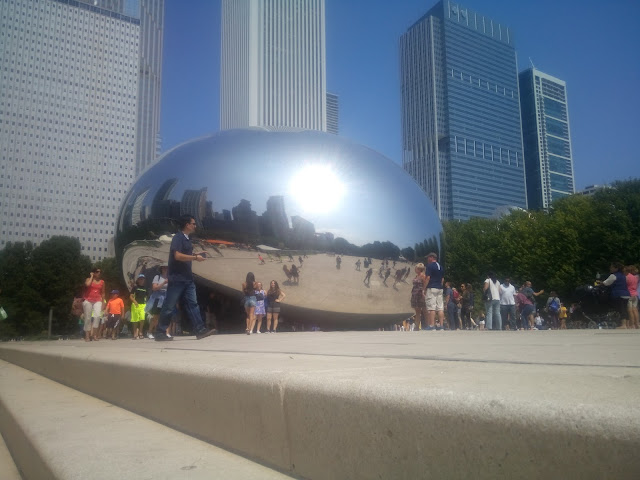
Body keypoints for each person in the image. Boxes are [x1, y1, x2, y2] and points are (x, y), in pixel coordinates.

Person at [154, 215, 217, 341]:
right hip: (177, 279)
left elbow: (184, 255)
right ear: (187, 225)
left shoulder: (187, 239)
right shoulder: (178, 237)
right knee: (169, 305)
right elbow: (177, 256)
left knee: (193, 304)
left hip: (187, 278)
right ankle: (160, 332)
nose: (195, 226)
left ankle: (200, 330)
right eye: (193, 223)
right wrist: (194, 258)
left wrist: (194, 254)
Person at [600, 262, 631, 328]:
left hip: (618, 294)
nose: (610, 268)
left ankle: (623, 325)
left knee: (621, 309)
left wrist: (601, 283)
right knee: (625, 309)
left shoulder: (613, 275)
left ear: (616, 268)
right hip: (626, 294)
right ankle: (628, 325)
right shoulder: (623, 275)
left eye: (611, 267)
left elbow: (606, 283)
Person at [146, 264, 168, 339]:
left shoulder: (169, 277)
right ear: (161, 269)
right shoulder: (157, 277)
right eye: (164, 268)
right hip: (158, 298)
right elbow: (154, 288)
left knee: (165, 316)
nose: (165, 269)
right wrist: (163, 283)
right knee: (156, 316)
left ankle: (165, 332)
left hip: (166, 298)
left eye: (166, 268)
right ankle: (149, 331)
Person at [83, 267, 105, 342]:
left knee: (97, 316)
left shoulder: (102, 282)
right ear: (93, 273)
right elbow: (87, 285)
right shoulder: (88, 279)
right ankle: (87, 336)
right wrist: (91, 276)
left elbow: (103, 293)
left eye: (100, 272)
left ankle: (95, 335)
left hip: (97, 300)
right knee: (88, 318)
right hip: (88, 300)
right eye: (97, 272)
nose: (99, 273)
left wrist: (103, 303)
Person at [424, 252, 444, 330]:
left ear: (432, 257)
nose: (427, 259)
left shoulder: (429, 266)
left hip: (432, 287)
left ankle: (432, 325)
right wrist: (440, 285)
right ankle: (441, 326)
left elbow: (428, 278)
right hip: (439, 288)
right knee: (440, 308)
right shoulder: (441, 266)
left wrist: (424, 288)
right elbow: (442, 279)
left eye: (428, 257)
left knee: (432, 307)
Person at [410, 263, 427, 331]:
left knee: (424, 310)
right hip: (415, 294)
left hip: (420, 294)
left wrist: (424, 292)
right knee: (417, 311)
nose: (415, 269)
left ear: (419, 269)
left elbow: (425, 285)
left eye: (416, 268)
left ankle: (428, 325)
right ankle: (417, 326)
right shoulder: (416, 276)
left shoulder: (423, 276)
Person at [130, 274, 147, 340]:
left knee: (142, 318)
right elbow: (131, 296)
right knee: (135, 320)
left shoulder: (145, 288)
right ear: (138, 280)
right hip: (135, 305)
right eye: (140, 279)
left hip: (143, 305)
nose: (141, 280)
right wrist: (135, 301)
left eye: (143, 279)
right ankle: (135, 333)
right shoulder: (135, 287)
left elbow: (146, 297)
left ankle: (140, 332)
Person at [624, 265, 639, 329]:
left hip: (629, 294)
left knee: (630, 310)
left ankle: (631, 324)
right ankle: (637, 324)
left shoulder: (627, 277)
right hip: (635, 294)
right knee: (635, 310)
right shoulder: (635, 277)